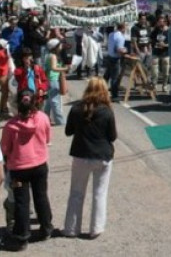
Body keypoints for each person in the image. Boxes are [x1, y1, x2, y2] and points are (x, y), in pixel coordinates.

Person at [63, 77, 117, 239]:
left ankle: (71, 228)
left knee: (76, 192)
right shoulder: (107, 111)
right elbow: (112, 136)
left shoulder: (77, 109)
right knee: (99, 193)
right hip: (102, 155)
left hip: (81, 154)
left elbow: (68, 131)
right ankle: (96, 228)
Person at [1, 89, 54, 251]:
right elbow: (47, 139)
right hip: (39, 165)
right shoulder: (43, 118)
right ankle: (46, 228)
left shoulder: (10, 126)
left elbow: (5, 148)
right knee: (41, 197)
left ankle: (22, 236)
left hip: (19, 168)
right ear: (35, 102)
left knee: (22, 203)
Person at [43, 39, 69, 126]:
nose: (61, 46)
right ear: (55, 47)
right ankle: (61, 122)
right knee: (55, 102)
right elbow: (54, 68)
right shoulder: (53, 56)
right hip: (53, 80)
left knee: (49, 103)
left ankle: (44, 120)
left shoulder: (48, 55)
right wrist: (65, 69)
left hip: (49, 80)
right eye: (59, 45)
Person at [104, 23, 127, 102]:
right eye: (125, 27)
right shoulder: (120, 37)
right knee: (115, 78)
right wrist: (125, 50)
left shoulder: (111, 34)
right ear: (123, 28)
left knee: (107, 75)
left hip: (109, 56)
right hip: (115, 58)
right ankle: (114, 96)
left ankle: (100, 90)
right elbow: (118, 50)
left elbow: (110, 46)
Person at [150, 16, 170, 92]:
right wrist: (156, 44)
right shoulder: (155, 30)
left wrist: (165, 45)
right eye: (160, 21)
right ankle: (154, 85)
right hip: (156, 53)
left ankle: (164, 86)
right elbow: (151, 39)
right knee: (154, 71)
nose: (161, 23)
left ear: (165, 22)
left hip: (165, 53)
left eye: (163, 21)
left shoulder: (168, 30)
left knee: (166, 72)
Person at [0, 38, 11, 116]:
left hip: (4, 72)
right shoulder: (3, 53)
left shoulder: (4, 51)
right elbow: (8, 56)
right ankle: (2, 108)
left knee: (5, 93)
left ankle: (3, 107)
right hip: (3, 73)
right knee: (5, 93)